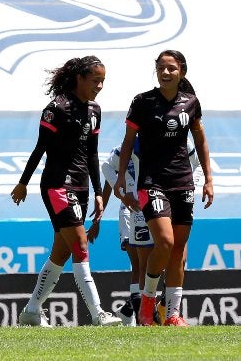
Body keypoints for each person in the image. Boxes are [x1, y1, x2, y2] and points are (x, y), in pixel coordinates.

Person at [11, 56, 121, 327]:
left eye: (103, 81)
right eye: (96, 80)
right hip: (57, 185)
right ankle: (98, 313)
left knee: (60, 253)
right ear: (79, 78)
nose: (100, 86)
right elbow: (40, 148)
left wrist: (97, 191)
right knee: (79, 245)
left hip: (82, 187)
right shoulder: (56, 108)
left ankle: (31, 311)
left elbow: (93, 153)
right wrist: (23, 182)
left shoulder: (95, 110)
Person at [113, 50, 214, 327]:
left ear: (181, 70)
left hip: (182, 182)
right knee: (165, 242)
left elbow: (201, 140)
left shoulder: (190, 102)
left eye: (171, 68)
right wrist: (121, 178)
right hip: (152, 182)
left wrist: (208, 179)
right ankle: (147, 302)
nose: (165, 72)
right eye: (161, 68)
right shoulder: (142, 102)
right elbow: (127, 142)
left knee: (179, 249)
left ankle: (172, 314)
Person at [90, 138, 201, 326]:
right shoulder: (131, 144)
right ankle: (142, 315)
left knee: (178, 256)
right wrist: (124, 194)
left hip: (172, 201)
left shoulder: (178, 136)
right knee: (140, 262)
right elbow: (108, 168)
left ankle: (163, 309)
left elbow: (197, 164)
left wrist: (191, 185)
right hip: (137, 207)